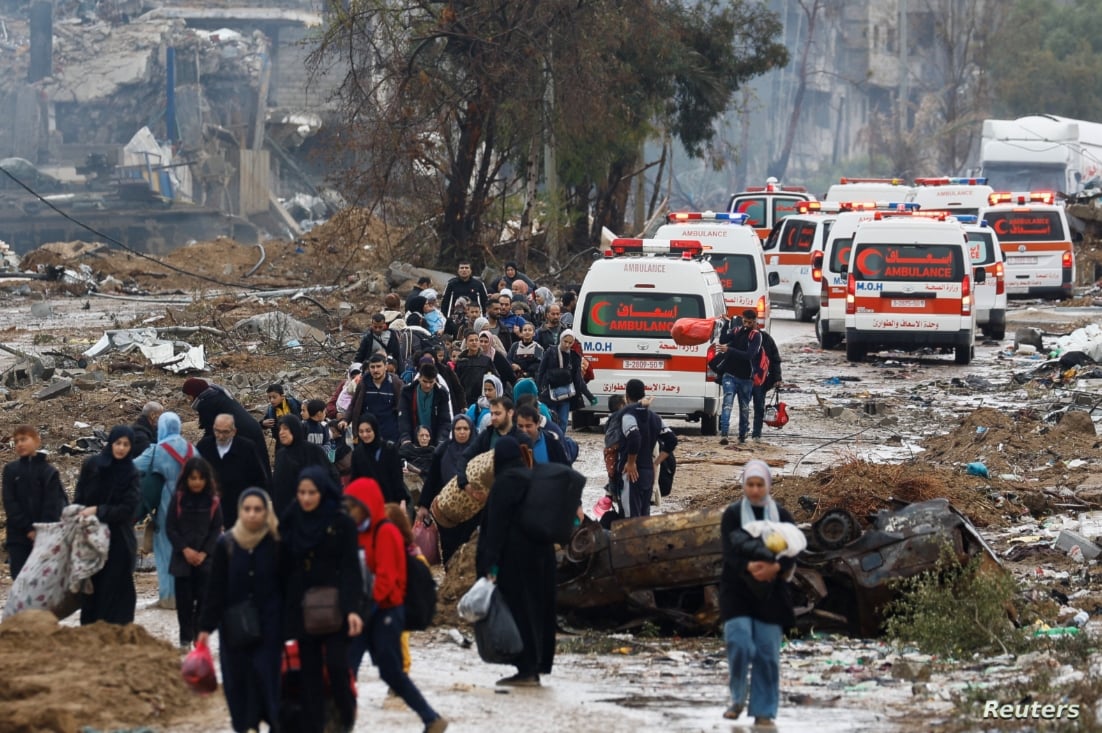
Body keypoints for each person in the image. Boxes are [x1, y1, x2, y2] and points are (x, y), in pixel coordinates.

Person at [344, 478, 449, 733]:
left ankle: (431, 717)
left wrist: (365, 609)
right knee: (347, 669)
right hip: (365, 611)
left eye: (353, 505)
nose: (349, 511)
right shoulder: (358, 533)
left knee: (391, 672)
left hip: (386, 612)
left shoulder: (385, 532)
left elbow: (388, 578)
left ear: (366, 505)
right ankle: (338, 723)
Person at [279, 466, 363, 733]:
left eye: (311, 493)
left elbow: (351, 569)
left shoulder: (341, 522)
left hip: (335, 607)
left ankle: (345, 718)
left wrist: (353, 609)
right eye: (301, 492)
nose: (306, 498)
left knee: (337, 667)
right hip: (301, 608)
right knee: (310, 675)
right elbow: (282, 566)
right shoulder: (291, 519)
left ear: (323, 491)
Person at [720, 460, 797, 726]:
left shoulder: (782, 516)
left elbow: (793, 550)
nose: (754, 490)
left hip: (771, 592)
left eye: (759, 485)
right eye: (750, 484)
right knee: (739, 643)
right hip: (737, 590)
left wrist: (775, 567)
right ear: (744, 485)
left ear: (768, 485)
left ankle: (764, 711)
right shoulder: (732, 515)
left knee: (767, 654)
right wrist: (749, 566)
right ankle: (737, 698)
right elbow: (728, 552)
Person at [198, 488, 282, 733]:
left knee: (268, 682)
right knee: (238, 684)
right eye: (247, 509)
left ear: (266, 512)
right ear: (239, 511)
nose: (252, 514)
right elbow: (215, 589)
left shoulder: (277, 543)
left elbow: (289, 587)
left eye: (258, 509)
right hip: (235, 631)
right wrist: (205, 628)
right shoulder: (227, 544)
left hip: (270, 629)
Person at [475, 436, 556, 687]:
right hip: (543, 557)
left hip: (516, 560)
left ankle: (526, 669)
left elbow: (496, 528)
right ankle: (537, 665)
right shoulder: (533, 478)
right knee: (539, 612)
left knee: (519, 612)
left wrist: (489, 564)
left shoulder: (504, 483)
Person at [75, 425, 140, 625]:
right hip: (91, 538)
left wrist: (98, 510)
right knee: (92, 586)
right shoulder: (92, 466)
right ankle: (92, 632)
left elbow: (128, 509)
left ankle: (115, 633)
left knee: (115, 588)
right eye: (118, 443)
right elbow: (80, 496)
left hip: (118, 540)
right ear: (111, 443)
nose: (121, 448)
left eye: (126, 445)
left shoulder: (131, 473)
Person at [134, 411, 197, 609]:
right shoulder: (192, 450)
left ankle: (169, 597)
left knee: (166, 550)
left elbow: (133, 467)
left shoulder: (157, 451)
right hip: (192, 506)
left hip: (168, 505)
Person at [166, 456, 223, 649]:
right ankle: (185, 640)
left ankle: (199, 640)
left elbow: (216, 529)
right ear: (186, 479)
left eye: (200, 478)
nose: (196, 482)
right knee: (184, 603)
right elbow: (171, 527)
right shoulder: (178, 499)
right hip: (182, 560)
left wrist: (204, 553)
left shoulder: (213, 502)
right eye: (193, 478)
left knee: (204, 603)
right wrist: (185, 549)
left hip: (205, 562)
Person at [2, 424, 66, 579]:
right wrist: (28, 529)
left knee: (43, 581)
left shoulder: (49, 472)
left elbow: (52, 504)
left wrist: (41, 530)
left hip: (45, 537)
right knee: (20, 579)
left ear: (37, 440)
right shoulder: (11, 471)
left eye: (24, 439)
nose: (20, 444)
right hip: (18, 537)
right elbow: (10, 503)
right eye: (16, 441)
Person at [416, 414, 477, 564]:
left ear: (471, 430)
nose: (462, 432)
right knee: (449, 550)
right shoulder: (443, 450)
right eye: (458, 429)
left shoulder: (477, 451)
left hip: (472, 510)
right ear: (453, 430)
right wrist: (424, 505)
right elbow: (432, 479)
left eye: (465, 429)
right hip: (447, 510)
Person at [183, 377, 270, 478]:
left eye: (188, 396)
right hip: (252, 428)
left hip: (243, 433)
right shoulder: (216, 393)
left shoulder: (206, 403)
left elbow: (210, 432)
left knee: (250, 469)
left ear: (194, 393)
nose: (188, 399)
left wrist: (197, 452)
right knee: (260, 465)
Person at [196, 414, 269, 529]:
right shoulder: (204, 447)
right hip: (211, 509)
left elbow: (258, 479)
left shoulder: (247, 448)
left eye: (225, 432)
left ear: (234, 431)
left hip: (239, 509)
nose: (220, 436)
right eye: (217, 431)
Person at [617, 379, 676, 518]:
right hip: (648, 473)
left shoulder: (628, 416)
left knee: (631, 518)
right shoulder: (655, 418)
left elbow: (634, 437)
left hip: (631, 473)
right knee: (644, 517)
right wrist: (656, 463)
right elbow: (672, 440)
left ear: (626, 396)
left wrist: (631, 462)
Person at [271, 415, 337, 517]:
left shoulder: (313, 451)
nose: (281, 432)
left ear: (295, 429)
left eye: (285, 428)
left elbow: (332, 476)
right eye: (280, 429)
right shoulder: (281, 454)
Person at [718, 309, 765, 445]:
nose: (747, 325)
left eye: (750, 322)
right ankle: (724, 434)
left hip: (746, 378)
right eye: (745, 322)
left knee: (744, 408)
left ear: (754, 322)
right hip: (729, 374)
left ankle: (742, 435)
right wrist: (726, 324)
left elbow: (749, 355)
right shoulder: (737, 330)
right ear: (742, 319)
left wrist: (729, 350)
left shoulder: (756, 336)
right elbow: (723, 339)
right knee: (727, 404)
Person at [455, 397, 521, 493]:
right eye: (492, 414)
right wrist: (464, 484)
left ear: (510, 413)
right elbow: (465, 457)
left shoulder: (521, 438)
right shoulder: (487, 435)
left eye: (497, 413)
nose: (493, 418)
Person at [537, 329, 597, 430]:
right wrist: (539, 390)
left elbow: (578, 379)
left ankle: (561, 438)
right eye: (565, 341)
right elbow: (541, 372)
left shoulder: (574, 356)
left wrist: (589, 396)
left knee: (563, 421)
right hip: (549, 393)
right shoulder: (550, 352)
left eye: (570, 342)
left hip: (566, 395)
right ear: (561, 339)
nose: (567, 345)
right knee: (551, 420)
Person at [345, 352, 404, 445]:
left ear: (385, 367)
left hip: (390, 434)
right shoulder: (364, 384)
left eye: (378, 366)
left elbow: (403, 409)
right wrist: (345, 420)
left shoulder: (395, 384)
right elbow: (354, 405)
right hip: (367, 434)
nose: (375, 370)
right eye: (372, 367)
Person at [351, 412, 409, 505]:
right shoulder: (357, 454)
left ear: (375, 429)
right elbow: (355, 481)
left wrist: (402, 500)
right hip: (368, 504)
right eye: (361, 431)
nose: (365, 435)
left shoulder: (389, 449)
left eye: (368, 431)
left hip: (390, 503)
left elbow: (397, 478)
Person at [398, 362, 451, 446]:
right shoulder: (407, 392)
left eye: (431, 382)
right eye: (425, 381)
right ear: (419, 378)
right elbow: (404, 418)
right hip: (412, 441)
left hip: (435, 441)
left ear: (435, 380)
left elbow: (445, 420)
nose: (428, 385)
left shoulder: (442, 394)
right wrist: (406, 438)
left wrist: (441, 440)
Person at [453, 332, 496, 406]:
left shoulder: (486, 361)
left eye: (476, 340)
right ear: (466, 343)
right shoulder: (461, 361)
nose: (474, 342)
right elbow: (455, 382)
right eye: (471, 340)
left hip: (482, 399)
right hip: (464, 400)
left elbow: (495, 379)